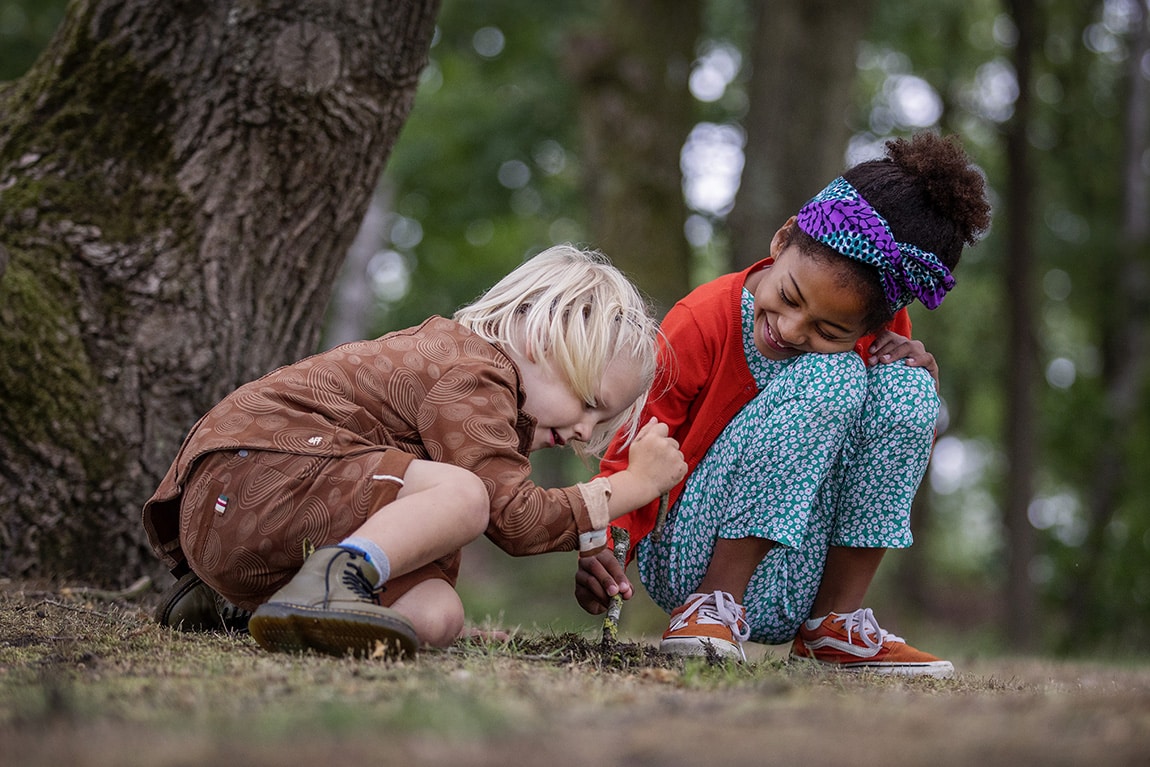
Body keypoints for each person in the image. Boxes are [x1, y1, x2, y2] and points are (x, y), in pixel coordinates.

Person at [574, 133, 991, 676]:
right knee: (831, 373)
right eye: (790, 296)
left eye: (829, 328)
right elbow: (639, 439)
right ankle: (711, 603)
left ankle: (833, 625)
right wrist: (606, 541)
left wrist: (920, 394)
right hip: (689, 551)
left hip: (798, 569)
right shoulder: (704, 319)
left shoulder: (884, 340)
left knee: (910, 390)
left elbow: (882, 458)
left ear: (876, 323)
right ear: (781, 240)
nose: (790, 328)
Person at [142, 244, 688, 658]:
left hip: (276, 514)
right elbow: (511, 518)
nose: (581, 432)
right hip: (260, 477)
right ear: (542, 340)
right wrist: (633, 486)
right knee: (465, 495)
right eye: (589, 402)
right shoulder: (473, 370)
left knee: (435, 615)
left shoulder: (487, 398)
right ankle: (329, 582)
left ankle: (243, 607)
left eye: (602, 421)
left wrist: (589, 535)